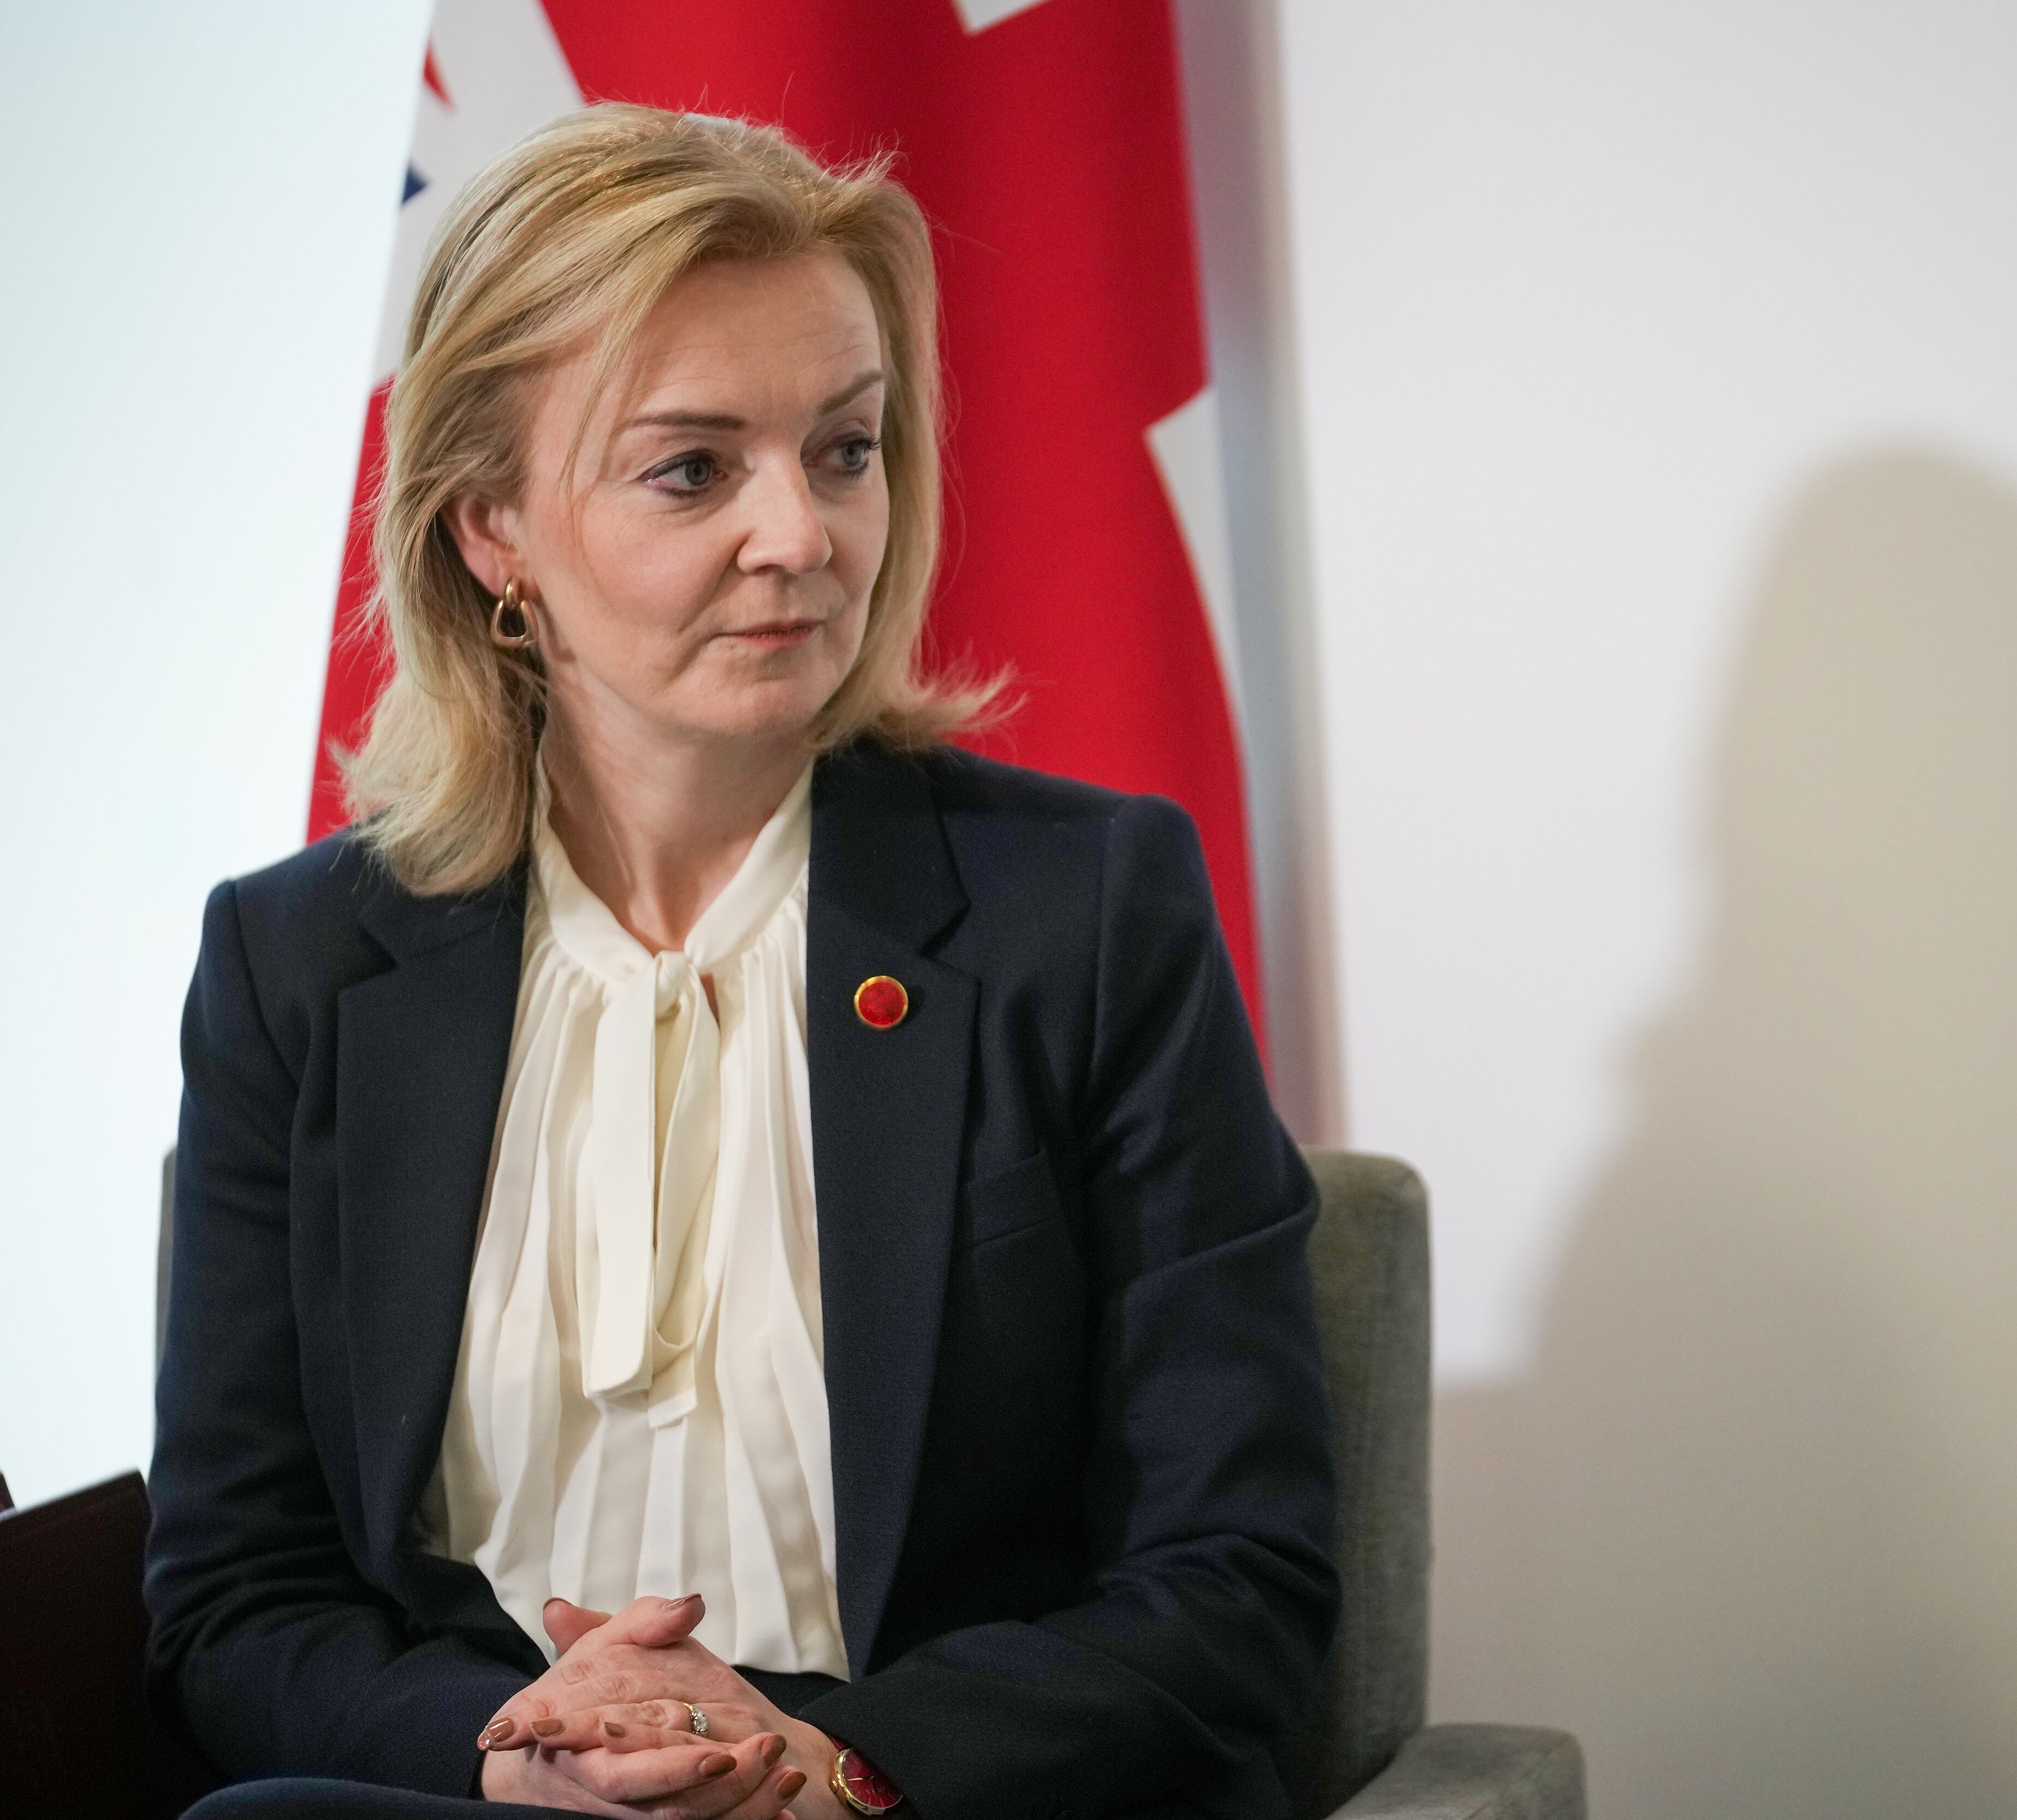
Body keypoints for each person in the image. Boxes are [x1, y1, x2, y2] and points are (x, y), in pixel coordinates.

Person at [146, 105, 1337, 1820]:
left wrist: (833, 1758)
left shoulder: (1087, 910)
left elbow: (1246, 1575)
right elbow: (234, 1605)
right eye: (694, 468)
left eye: (844, 450)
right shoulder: (295, 965)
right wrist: (513, 1766)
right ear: (492, 527)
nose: (803, 534)